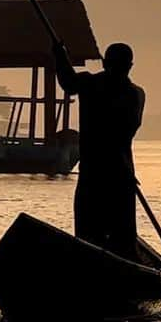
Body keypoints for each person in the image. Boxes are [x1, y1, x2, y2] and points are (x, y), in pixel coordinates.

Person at [53, 39, 145, 258]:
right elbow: (68, 82)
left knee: (93, 237)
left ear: (105, 63)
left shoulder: (92, 85)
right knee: (117, 239)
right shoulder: (135, 93)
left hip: (100, 174)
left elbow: (68, 82)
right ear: (130, 66)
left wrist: (59, 55)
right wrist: (60, 55)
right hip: (118, 174)